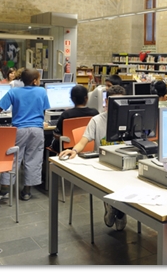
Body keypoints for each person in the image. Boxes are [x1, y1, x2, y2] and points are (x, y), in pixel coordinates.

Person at [58, 85, 128, 231]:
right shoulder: (96, 120)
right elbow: (84, 140)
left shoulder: (130, 118)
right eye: (113, 103)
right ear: (106, 102)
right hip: (104, 166)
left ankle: (115, 208)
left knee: (128, 181)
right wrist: (74, 150)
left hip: (125, 164)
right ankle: (117, 209)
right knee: (114, 183)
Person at [0, 68, 50, 202]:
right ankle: (26, 191)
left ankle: (4, 191)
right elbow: (43, 109)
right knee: (33, 159)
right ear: (35, 81)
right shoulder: (42, 91)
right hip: (36, 130)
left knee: (12, 159)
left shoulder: (14, 92)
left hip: (19, 130)